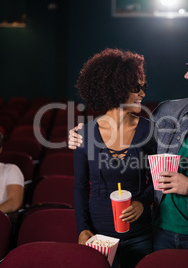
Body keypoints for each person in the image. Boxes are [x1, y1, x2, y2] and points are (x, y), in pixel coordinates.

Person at [69, 36, 188, 254]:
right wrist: (78, 135)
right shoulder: (167, 111)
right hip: (160, 233)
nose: (186, 74)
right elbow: (127, 132)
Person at [72, 48, 156, 268]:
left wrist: (142, 202)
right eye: (137, 88)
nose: (143, 94)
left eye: (143, 87)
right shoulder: (84, 135)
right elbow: (80, 187)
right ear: (117, 89)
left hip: (140, 234)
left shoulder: (149, 131)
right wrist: (82, 228)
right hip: (99, 236)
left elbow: (160, 181)